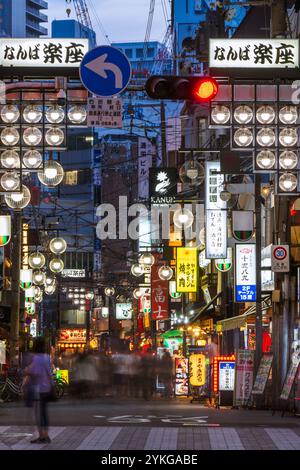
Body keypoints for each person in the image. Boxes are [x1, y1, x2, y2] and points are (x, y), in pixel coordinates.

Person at [24, 337, 54, 444]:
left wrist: (27, 370)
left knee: (39, 413)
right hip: (47, 388)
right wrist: (52, 385)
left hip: (39, 389)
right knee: (44, 413)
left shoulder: (36, 358)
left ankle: (42, 436)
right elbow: (50, 373)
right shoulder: (47, 357)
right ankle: (45, 435)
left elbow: (34, 372)